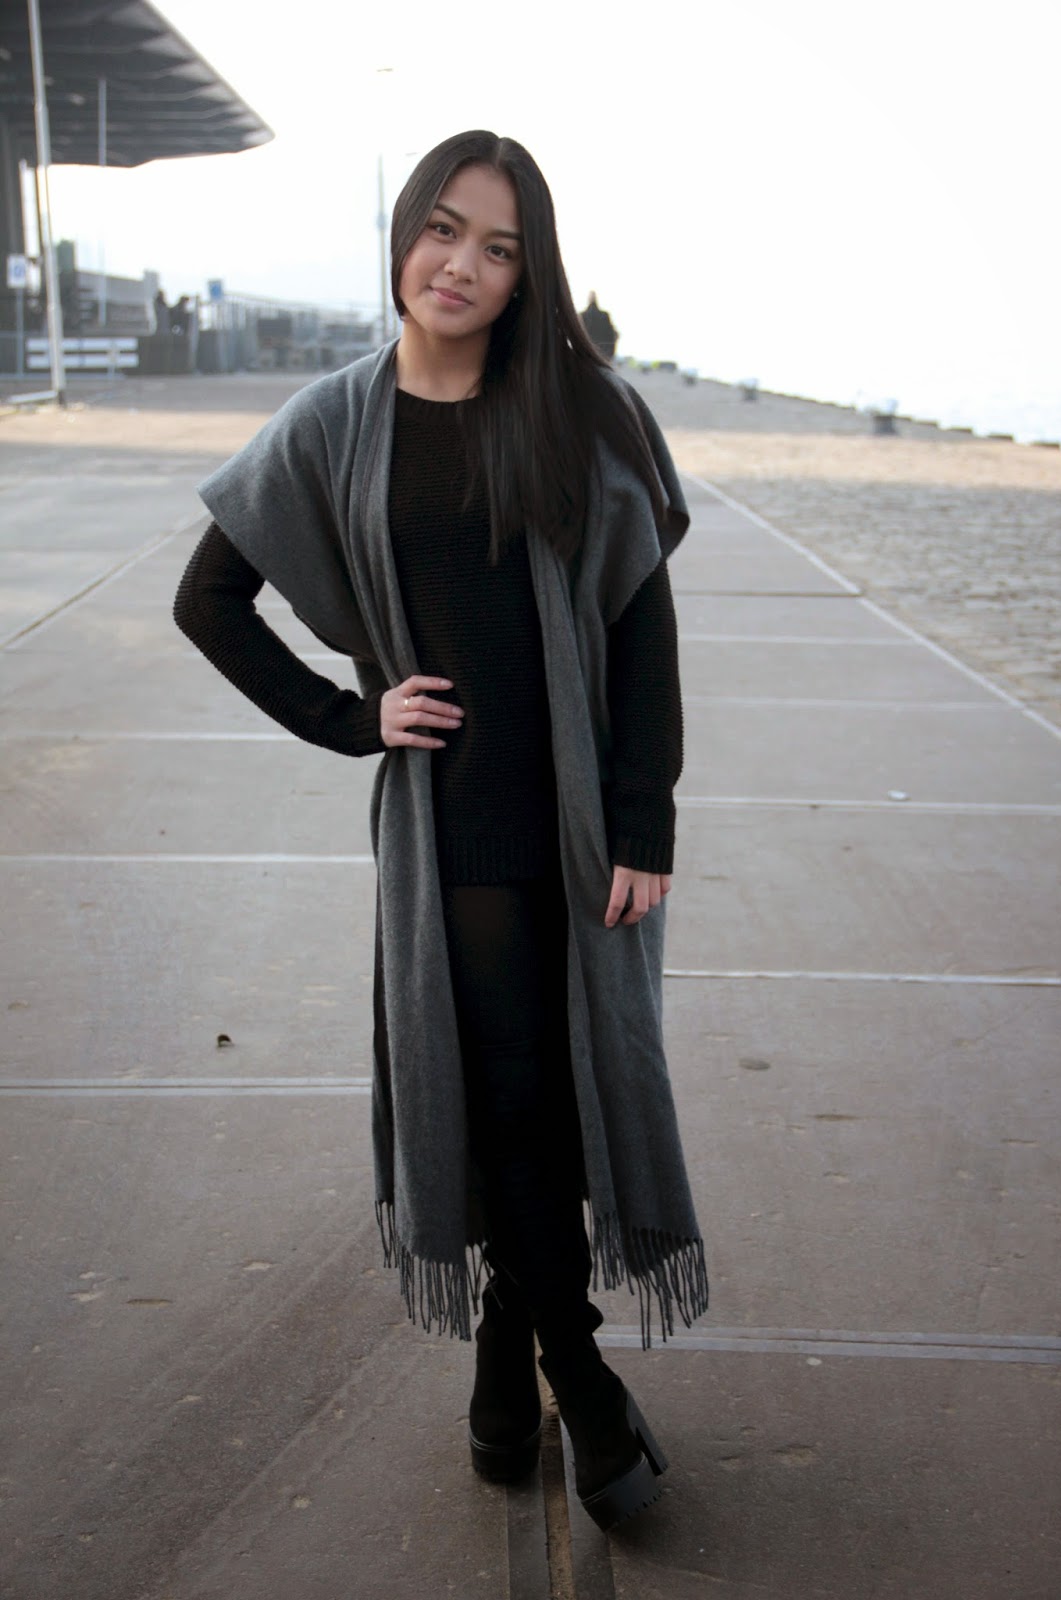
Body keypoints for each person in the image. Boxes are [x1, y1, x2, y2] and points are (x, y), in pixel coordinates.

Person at [173, 130, 707, 1533]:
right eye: (442, 229)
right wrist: (349, 718)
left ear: (530, 275)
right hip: (455, 832)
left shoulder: (584, 413)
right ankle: (581, 1383)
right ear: (405, 232)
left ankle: (496, 1366)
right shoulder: (334, 420)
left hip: (576, 824)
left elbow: (640, 625)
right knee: (513, 1097)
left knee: (556, 1097)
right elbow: (207, 599)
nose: (460, 264)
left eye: (498, 247)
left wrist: (645, 817)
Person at [580, 290, 619, 362]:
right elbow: (613, 335)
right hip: (603, 354)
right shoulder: (604, 315)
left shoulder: (582, 316)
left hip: (586, 356)